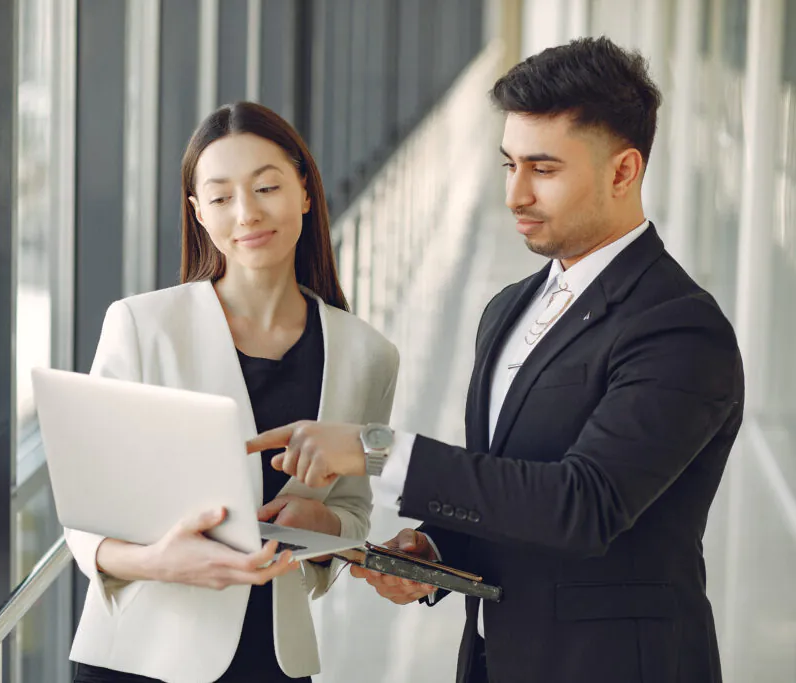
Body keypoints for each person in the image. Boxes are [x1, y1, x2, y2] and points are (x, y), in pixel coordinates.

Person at [247, 37, 744, 683]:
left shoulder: (679, 326)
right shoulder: (508, 308)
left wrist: (376, 450)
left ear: (623, 171)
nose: (515, 194)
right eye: (508, 163)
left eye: (543, 168)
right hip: (495, 659)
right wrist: (435, 549)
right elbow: (513, 482)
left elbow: (583, 505)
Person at [64, 101, 399, 683]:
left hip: (273, 658)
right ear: (198, 213)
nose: (247, 213)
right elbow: (87, 517)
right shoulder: (142, 327)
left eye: (266, 187)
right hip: (140, 655)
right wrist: (156, 562)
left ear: (304, 191)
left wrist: (316, 524)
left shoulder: (367, 355)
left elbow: (353, 513)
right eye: (220, 198)